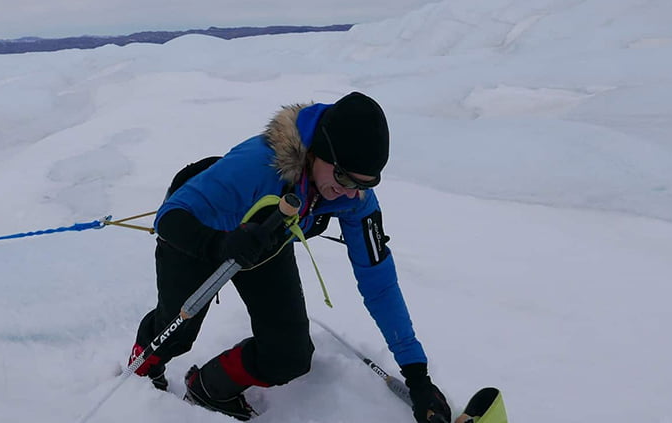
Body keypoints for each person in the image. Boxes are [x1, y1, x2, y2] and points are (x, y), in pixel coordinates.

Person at [127, 92, 451, 422]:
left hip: (265, 242)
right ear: (316, 153)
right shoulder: (256, 165)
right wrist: (219, 246)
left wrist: (417, 377)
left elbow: (379, 284)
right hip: (199, 232)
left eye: (363, 184)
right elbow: (168, 219)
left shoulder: (354, 197)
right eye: (344, 178)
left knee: (289, 355)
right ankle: (138, 380)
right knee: (176, 331)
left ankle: (209, 387)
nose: (352, 193)